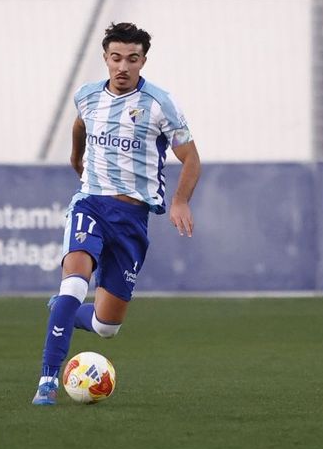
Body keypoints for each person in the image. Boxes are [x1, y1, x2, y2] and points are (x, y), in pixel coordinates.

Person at [31, 22, 202, 405]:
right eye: (116, 58)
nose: (123, 66)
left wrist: (180, 200)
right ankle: (47, 381)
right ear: (106, 59)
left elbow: (190, 157)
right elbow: (79, 124)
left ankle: (64, 311)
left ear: (143, 61)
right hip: (90, 203)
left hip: (132, 220)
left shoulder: (160, 104)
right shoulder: (87, 96)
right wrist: (76, 158)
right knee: (74, 283)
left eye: (132, 59)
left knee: (106, 327)